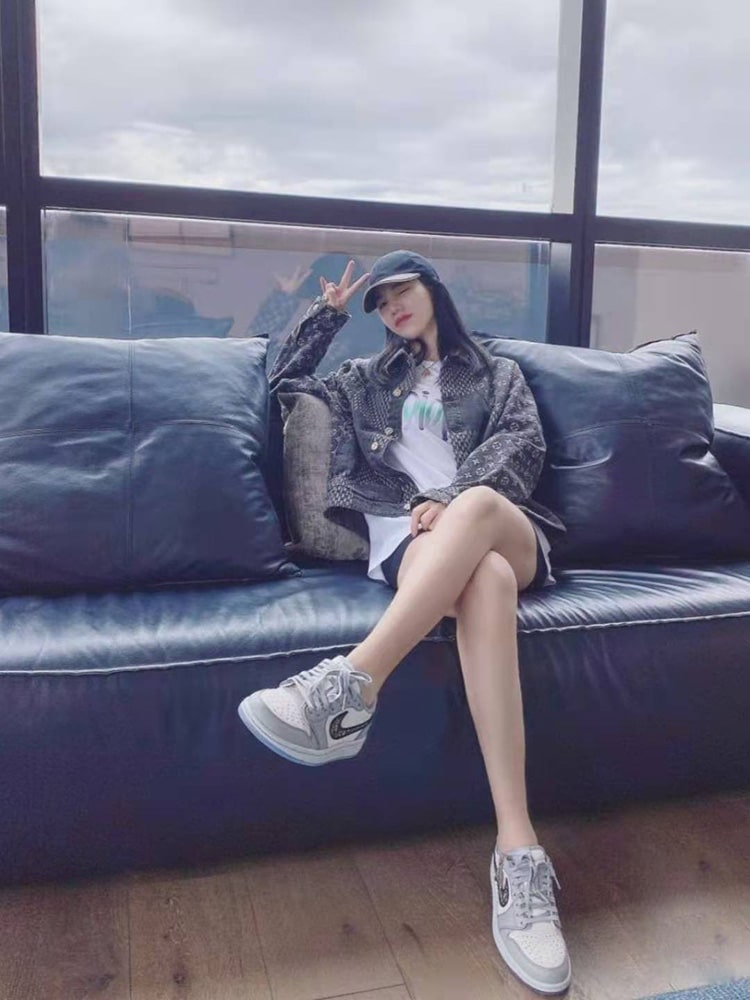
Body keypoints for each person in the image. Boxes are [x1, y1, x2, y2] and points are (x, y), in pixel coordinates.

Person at [238, 250, 571, 995]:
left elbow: (522, 446)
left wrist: (452, 495)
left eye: (402, 291)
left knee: (478, 514)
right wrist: (324, 315)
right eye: (381, 301)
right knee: (483, 581)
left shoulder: (496, 373)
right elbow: (281, 383)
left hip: (499, 521)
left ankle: (350, 688)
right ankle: (518, 852)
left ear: (433, 290)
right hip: (409, 538)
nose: (392, 306)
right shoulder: (363, 380)